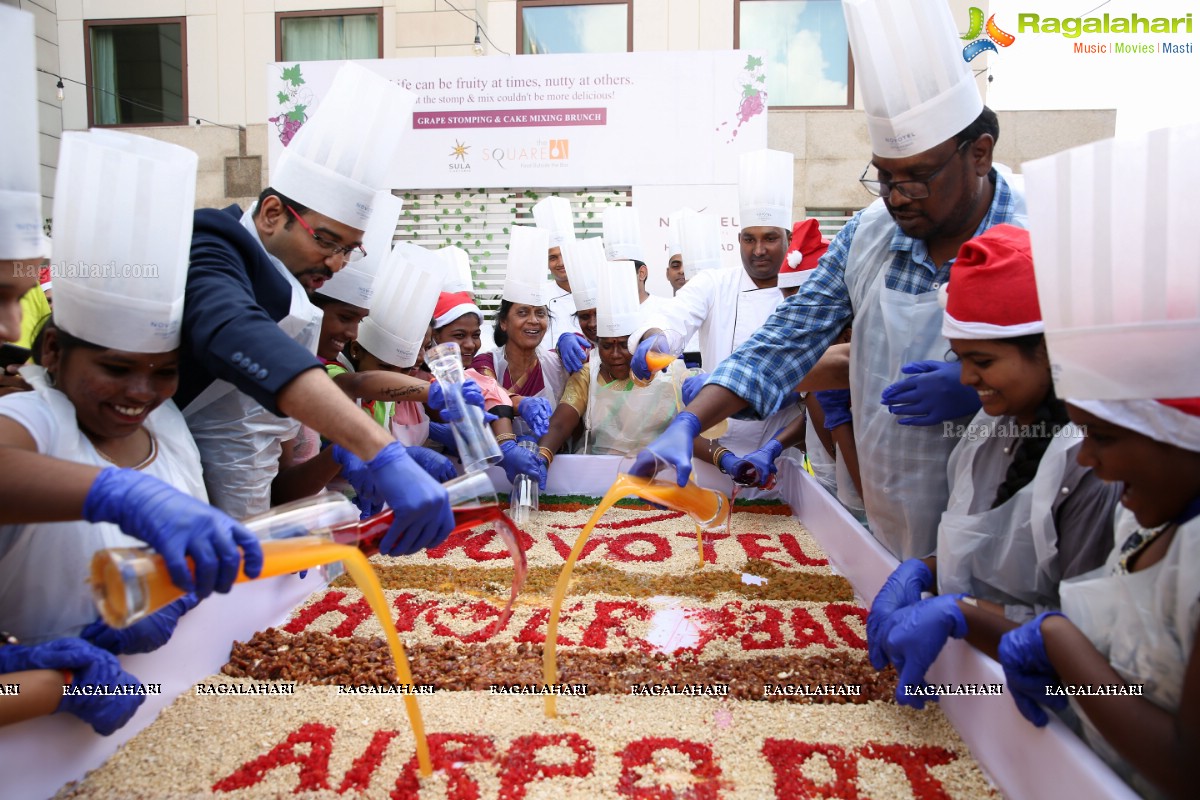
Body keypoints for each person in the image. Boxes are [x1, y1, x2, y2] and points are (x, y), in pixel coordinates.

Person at [634, 0, 1025, 562]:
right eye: (884, 178)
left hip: (1007, 522)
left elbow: (1089, 378)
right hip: (887, 508)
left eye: (917, 178)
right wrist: (691, 421)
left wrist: (976, 386)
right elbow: (789, 339)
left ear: (980, 154)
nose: (896, 197)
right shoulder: (868, 232)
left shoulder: (1039, 226)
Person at [0, 130, 262, 734]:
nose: (139, 392)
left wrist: (173, 597)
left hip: (165, 696)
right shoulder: (34, 417)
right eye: (115, 369)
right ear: (55, 351)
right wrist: (44, 682)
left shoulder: (165, 424)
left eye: (163, 372)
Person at [984, 121, 1200, 799]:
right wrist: (967, 617)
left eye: (1104, 438)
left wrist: (1056, 638)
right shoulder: (1147, 516)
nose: (1093, 465)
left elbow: (1187, 766)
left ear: (1177, 431)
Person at [175, 63, 453, 554]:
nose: (337, 263)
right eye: (327, 241)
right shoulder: (213, 242)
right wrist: (379, 449)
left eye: (350, 249)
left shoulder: (294, 291)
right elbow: (232, 329)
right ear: (272, 213)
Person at [866, 224, 1119, 707]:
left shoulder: (1090, 465)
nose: (964, 378)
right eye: (958, 358)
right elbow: (985, 554)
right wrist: (926, 569)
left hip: (1047, 711)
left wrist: (963, 613)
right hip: (971, 678)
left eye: (982, 360)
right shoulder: (988, 426)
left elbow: (1093, 656)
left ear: (1048, 353)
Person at [629, 149, 808, 471]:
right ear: (738, 240)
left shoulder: (806, 294)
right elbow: (673, 319)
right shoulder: (715, 283)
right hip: (713, 450)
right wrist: (656, 341)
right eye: (749, 239)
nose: (759, 250)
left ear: (788, 238)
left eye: (770, 238)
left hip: (779, 456)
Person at [535, 260, 680, 459]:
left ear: (638, 342)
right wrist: (542, 455)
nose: (614, 354)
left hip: (657, 471)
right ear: (597, 344)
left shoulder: (664, 373)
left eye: (623, 345)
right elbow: (560, 423)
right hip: (598, 473)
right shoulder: (587, 372)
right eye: (606, 345)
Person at [429, 290, 544, 488]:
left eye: (476, 335)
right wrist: (427, 431)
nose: (470, 344)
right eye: (459, 336)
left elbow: (494, 392)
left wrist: (508, 441)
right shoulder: (417, 375)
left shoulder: (469, 374)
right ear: (434, 336)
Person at [472, 225, 563, 439]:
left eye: (540, 313)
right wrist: (522, 404)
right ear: (504, 322)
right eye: (523, 312)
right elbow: (489, 391)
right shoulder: (485, 363)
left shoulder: (556, 365)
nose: (533, 320)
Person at [533, 196, 582, 346]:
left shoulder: (594, 292)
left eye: (565, 255)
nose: (560, 263)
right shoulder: (539, 296)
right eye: (553, 257)